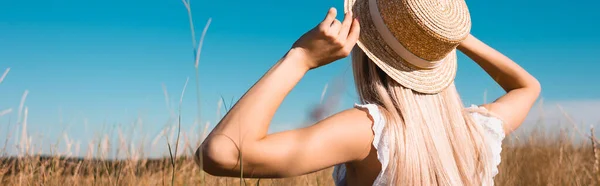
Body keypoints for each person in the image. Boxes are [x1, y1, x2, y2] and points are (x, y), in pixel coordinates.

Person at [195, 0, 541, 185]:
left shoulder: (370, 132)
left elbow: (223, 154)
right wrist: (449, 36)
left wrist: (299, 58)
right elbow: (527, 86)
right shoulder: (476, 132)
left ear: (366, 50)